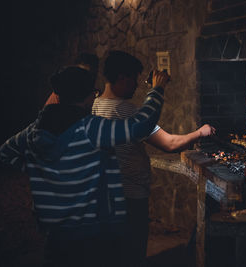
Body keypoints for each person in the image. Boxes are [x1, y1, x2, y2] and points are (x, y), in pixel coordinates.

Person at [0, 65, 169, 267]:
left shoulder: (33, 131)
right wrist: (157, 88)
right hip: (95, 236)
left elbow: (4, 153)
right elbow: (141, 124)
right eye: (93, 94)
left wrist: (40, 170)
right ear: (87, 96)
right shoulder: (91, 129)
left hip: (55, 237)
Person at [92, 50, 216, 267]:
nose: (136, 85)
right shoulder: (127, 111)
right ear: (123, 77)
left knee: (111, 255)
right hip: (130, 198)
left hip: (105, 196)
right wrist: (200, 132)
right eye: (134, 79)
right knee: (132, 255)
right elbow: (170, 143)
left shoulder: (95, 105)